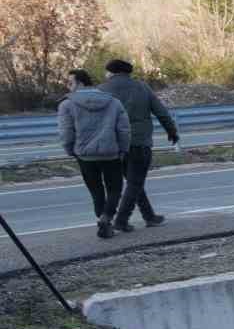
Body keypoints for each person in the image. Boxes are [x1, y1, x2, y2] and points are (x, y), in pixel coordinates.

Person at [100, 59, 178, 231]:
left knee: (134, 182)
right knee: (135, 182)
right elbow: (161, 112)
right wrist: (172, 131)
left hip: (112, 144)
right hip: (138, 141)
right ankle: (121, 220)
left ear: (111, 72)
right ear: (127, 72)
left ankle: (149, 216)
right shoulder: (141, 87)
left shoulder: (102, 90)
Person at [58, 69, 131, 239]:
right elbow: (124, 129)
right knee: (115, 189)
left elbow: (66, 132)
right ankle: (107, 217)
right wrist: (123, 149)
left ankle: (102, 218)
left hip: (85, 156)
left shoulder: (66, 105)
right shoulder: (113, 102)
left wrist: (70, 150)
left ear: (81, 83)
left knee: (95, 190)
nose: (69, 87)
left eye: (71, 83)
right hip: (111, 153)